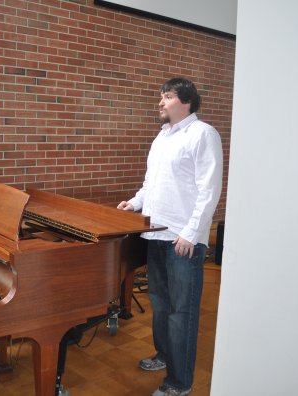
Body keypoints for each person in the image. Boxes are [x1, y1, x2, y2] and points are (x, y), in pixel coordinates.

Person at [118, 78, 223, 396]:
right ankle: (164, 355)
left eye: (167, 97)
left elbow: (210, 189)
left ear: (186, 101)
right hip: (156, 234)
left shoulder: (203, 134)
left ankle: (180, 381)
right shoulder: (162, 137)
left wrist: (191, 233)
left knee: (181, 312)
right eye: (161, 97)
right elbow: (152, 183)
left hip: (183, 241)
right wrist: (135, 203)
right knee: (161, 305)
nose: (160, 103)